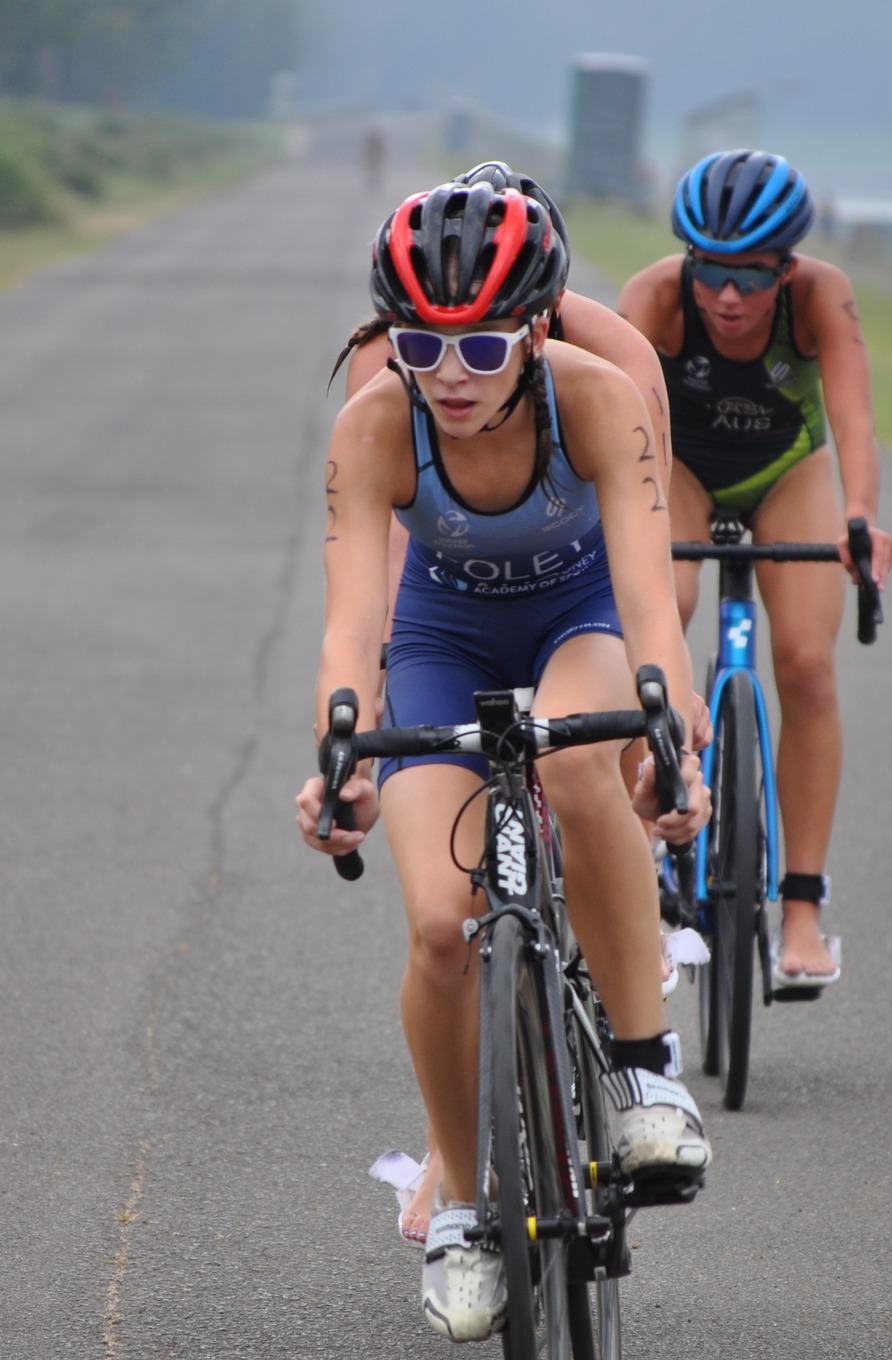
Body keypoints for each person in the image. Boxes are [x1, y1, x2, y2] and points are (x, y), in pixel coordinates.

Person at [296, 178, 713, 1342]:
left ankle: (640, 1068)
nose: (450, 373)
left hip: (581, 618)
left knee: (578, 770)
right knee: (440, 925)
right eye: (420, 344)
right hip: (442, 640)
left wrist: (670, 738)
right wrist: (341, 755)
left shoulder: (596, 394)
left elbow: (649, 599)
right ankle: (461, 1203)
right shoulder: (374, 423)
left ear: (534, 327)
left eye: (481, 345)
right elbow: (351, 626)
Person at [617, 149, 892, 997]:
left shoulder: (820, 296)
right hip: (680, 470)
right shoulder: (656, 298)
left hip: (786, 472)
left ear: (786, 269)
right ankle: (638, 872)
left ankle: (801, 909)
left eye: (749, 276)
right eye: (710, 271)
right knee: (658, 625)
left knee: (807, 664)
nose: (727, 296)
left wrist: (860, 521)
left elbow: (853, 420)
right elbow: (610, 422)